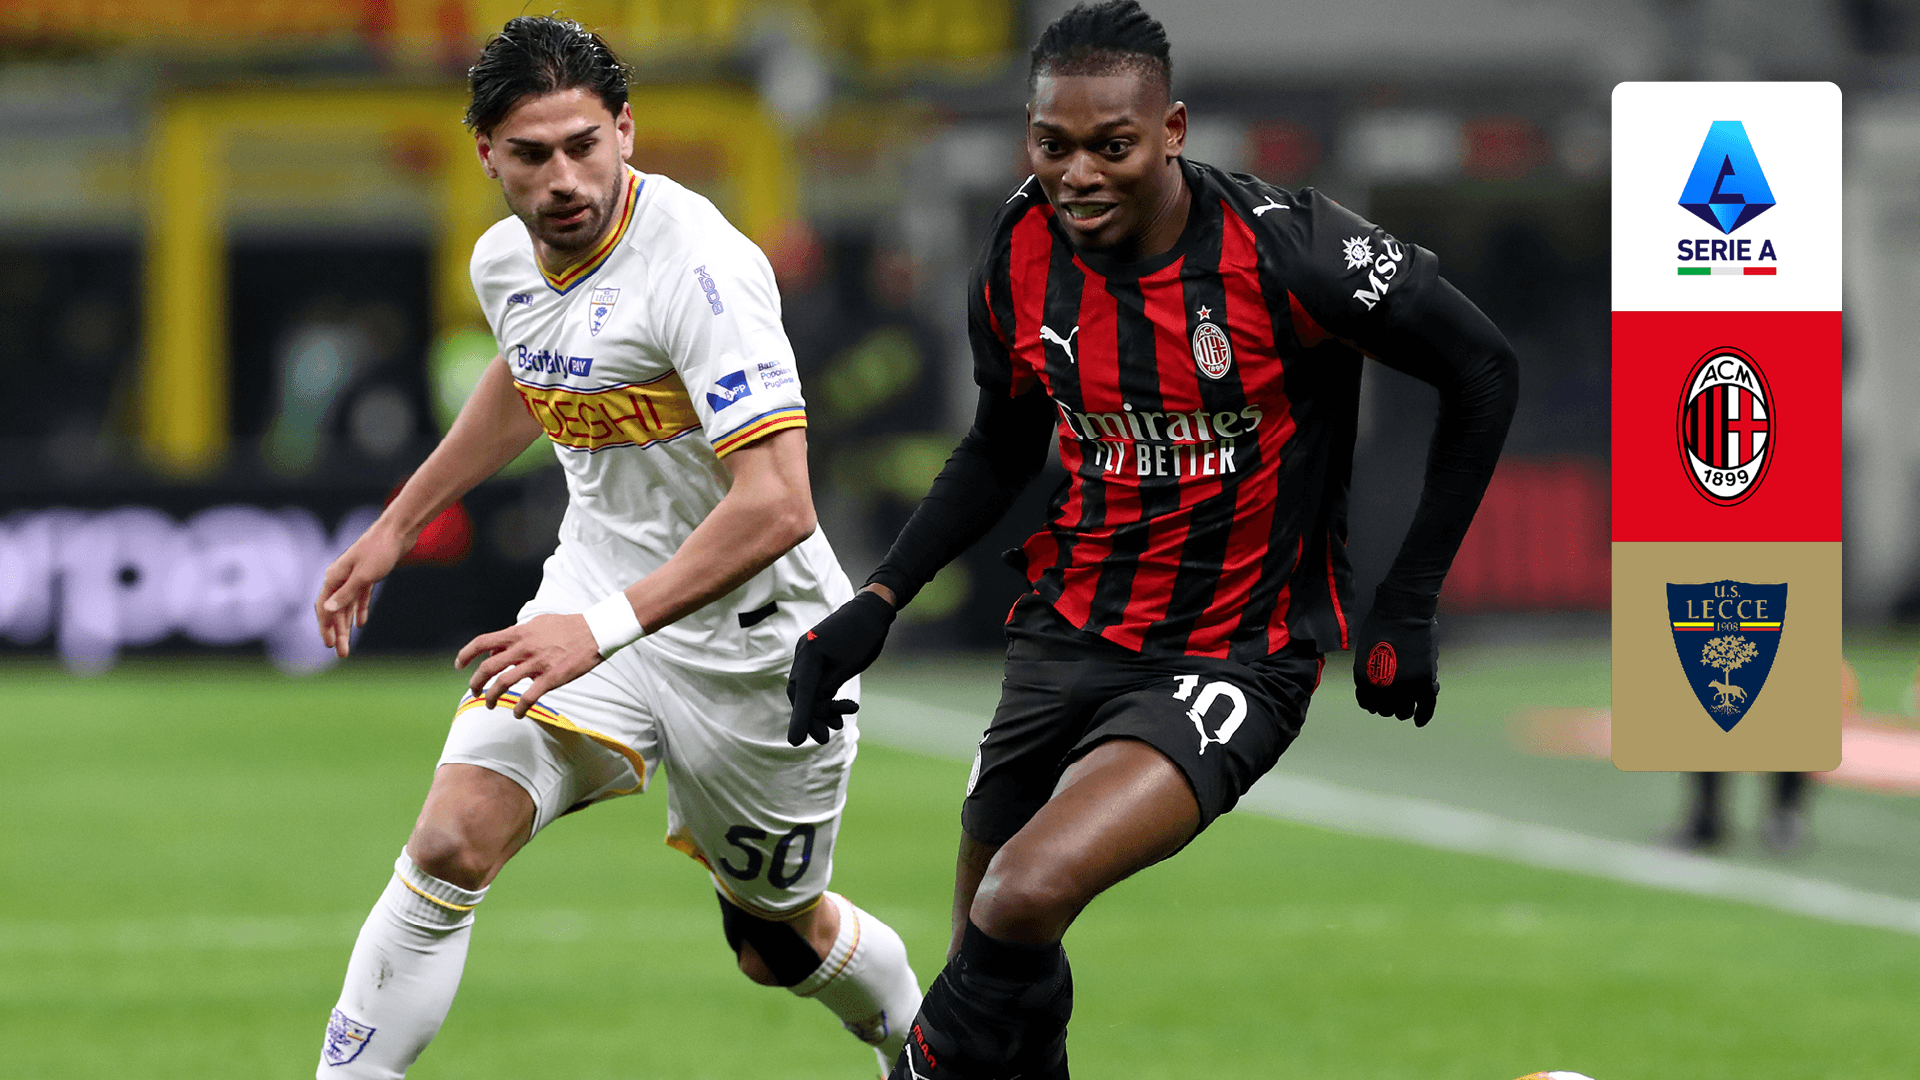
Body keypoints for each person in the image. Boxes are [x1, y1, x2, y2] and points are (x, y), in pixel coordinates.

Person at [785, 3, 1519, 1076]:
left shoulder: (1289, 248)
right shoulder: (1020, 244)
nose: (1077, 174)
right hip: (1064, 634)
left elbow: (1482, 368)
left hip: (1234, 652)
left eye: (1111, 145)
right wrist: (879, 598)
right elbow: (1001, 445)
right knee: (995, 958)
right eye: (1053, 145)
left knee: (1020, 896)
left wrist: (1407, 599)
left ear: (1172, 131)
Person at [310, 17, 919, 1077]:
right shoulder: (504, 259)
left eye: (583, 145)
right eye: (532, 154)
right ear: (486, 154)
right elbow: (529, 373)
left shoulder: (702, 271)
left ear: (626, 132)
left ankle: (920, 1035)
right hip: (598, 587)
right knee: (452, 839)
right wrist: (397, 524)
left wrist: (596, 632)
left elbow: (778, 504)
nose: (562, 179)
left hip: (760, 642)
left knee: (774, 941)